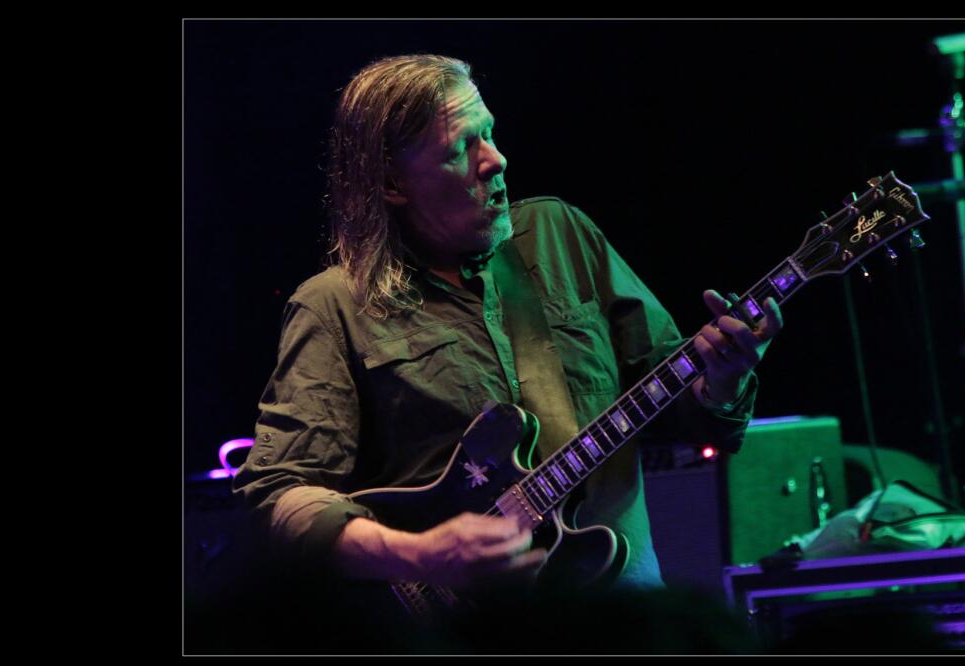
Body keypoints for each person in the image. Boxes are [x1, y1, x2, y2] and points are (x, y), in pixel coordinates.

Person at [232, 54, 784, 600]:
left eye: (489, 133)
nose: (495, 159)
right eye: (460, 148)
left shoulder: (560, 236)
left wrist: (723, 380)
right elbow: (277, 494)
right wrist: (420, 555)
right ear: (393, 183)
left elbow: (682, 411)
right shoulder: (333, 306)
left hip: (621, 615)